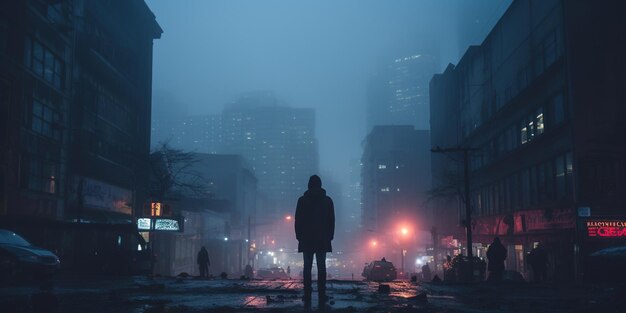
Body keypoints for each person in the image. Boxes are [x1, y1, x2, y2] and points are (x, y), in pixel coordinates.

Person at [295, 175, 335, 309]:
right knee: (321, 266)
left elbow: (298, 221)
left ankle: (307, 293)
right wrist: (329, 236)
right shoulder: (328, 201)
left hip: (306, 238)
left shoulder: (302, 201)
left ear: (309, 185)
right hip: (322, 238)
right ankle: (322, 293)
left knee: (307, 267)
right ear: (320, 185)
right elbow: (331, 221)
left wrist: (299, 236)